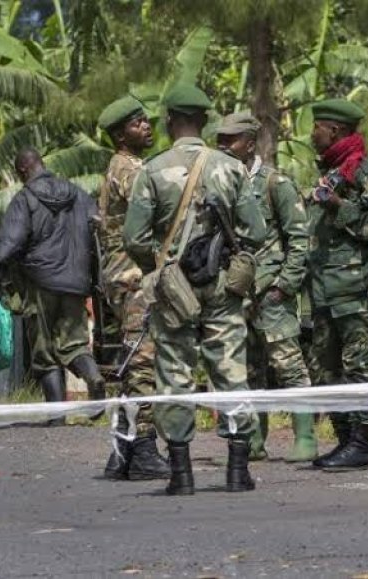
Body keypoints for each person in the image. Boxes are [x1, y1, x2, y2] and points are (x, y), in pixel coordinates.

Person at [123, 84, 266, 495]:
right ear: (204, 122)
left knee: (174, 374)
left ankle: (181, 474)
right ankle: (238, 471)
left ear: (170, 121)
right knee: (231, 371)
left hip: (174, 288)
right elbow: (254, 231)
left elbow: (134, 237)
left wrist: (161, 268)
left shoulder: (152, 170)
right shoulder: (231, 167)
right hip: (222, 284)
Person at [215, 111, 317, 462]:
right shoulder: (221, 182)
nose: (224, 145)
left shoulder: (276, 184)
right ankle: (253, 440)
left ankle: (305, 437)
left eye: (232, 139)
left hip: (271, 293)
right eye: (221, 139)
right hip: (235, 295)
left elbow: (300, 239)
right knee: (246, 370)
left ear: (250, 143)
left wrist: (285, 286)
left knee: (288, 365)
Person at [305, 99, 368, 470]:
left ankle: (362, 443)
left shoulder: (364, 173)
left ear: (335, 131)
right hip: (324, 289)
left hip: (354, 289)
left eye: (317, 127)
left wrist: (339, 206)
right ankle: (343, 440)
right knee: (327, 368)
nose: (312, 134)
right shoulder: (330, 171)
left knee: (359, 365)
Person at [0, 148, 105, 404]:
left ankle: (56, 414)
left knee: (44, 351)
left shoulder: (24, 199)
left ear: (23, 171)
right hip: (76, 283)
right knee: (75, 344)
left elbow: (11, 239)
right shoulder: (79, 196)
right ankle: (93, 375)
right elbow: (98, 230)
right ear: (42, 163)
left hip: (41, 282)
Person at [96, 96, 169, 481]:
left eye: (146, 120)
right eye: (137, 123)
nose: (146, 126)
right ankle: (143, 448)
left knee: (128, 364)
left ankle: (122, 450)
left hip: (122, 277)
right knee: (143, 361)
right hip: (134, 277)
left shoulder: (118, 166)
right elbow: (155, 206)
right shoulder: (129, 169)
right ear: (120, 134)